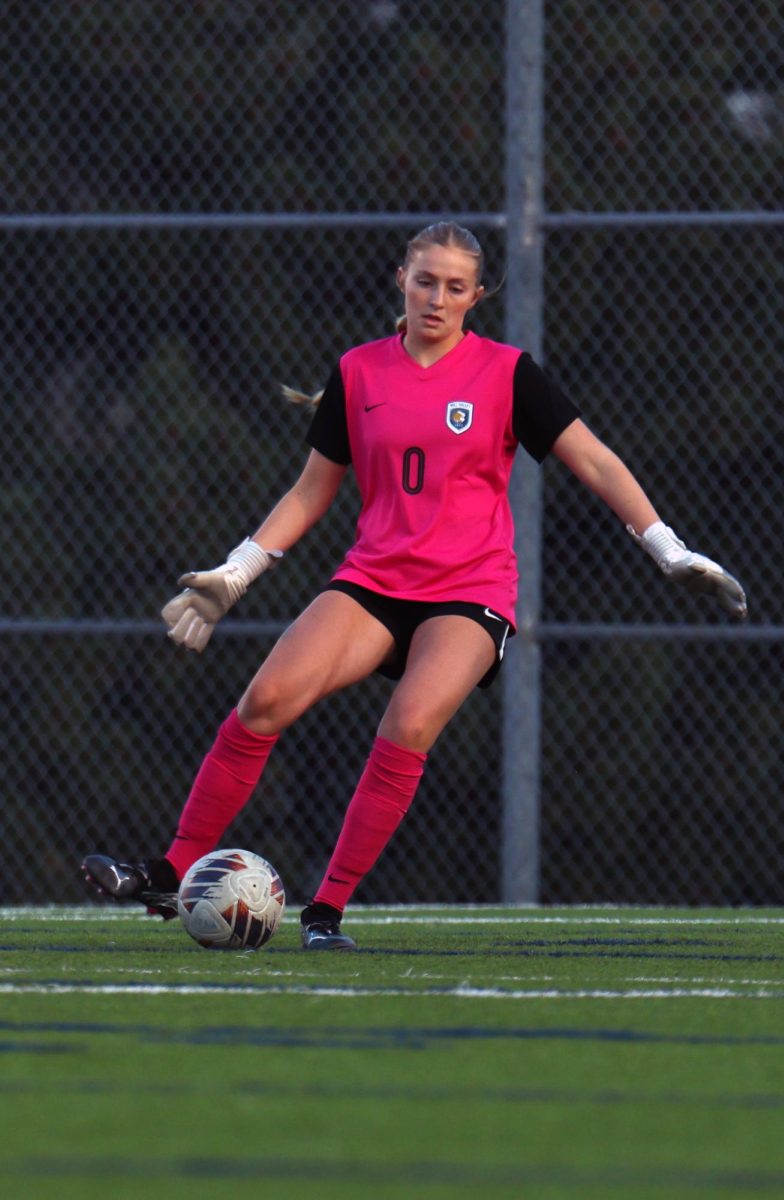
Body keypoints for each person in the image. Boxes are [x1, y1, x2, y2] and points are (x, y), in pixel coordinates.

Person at [81, 221, 747, 949]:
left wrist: (667, 548)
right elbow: (310, 493)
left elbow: (597, 461)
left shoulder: (507, 372)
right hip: (374, 580)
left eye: (456, 286)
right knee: (266, 700)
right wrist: (236, 572)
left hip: (470, 589)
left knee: (410, 724)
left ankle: (325, 914)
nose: (437, 297)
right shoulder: (359, 371)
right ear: (401, 277)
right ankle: (172, 869)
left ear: (478, 295)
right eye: (425, 280)